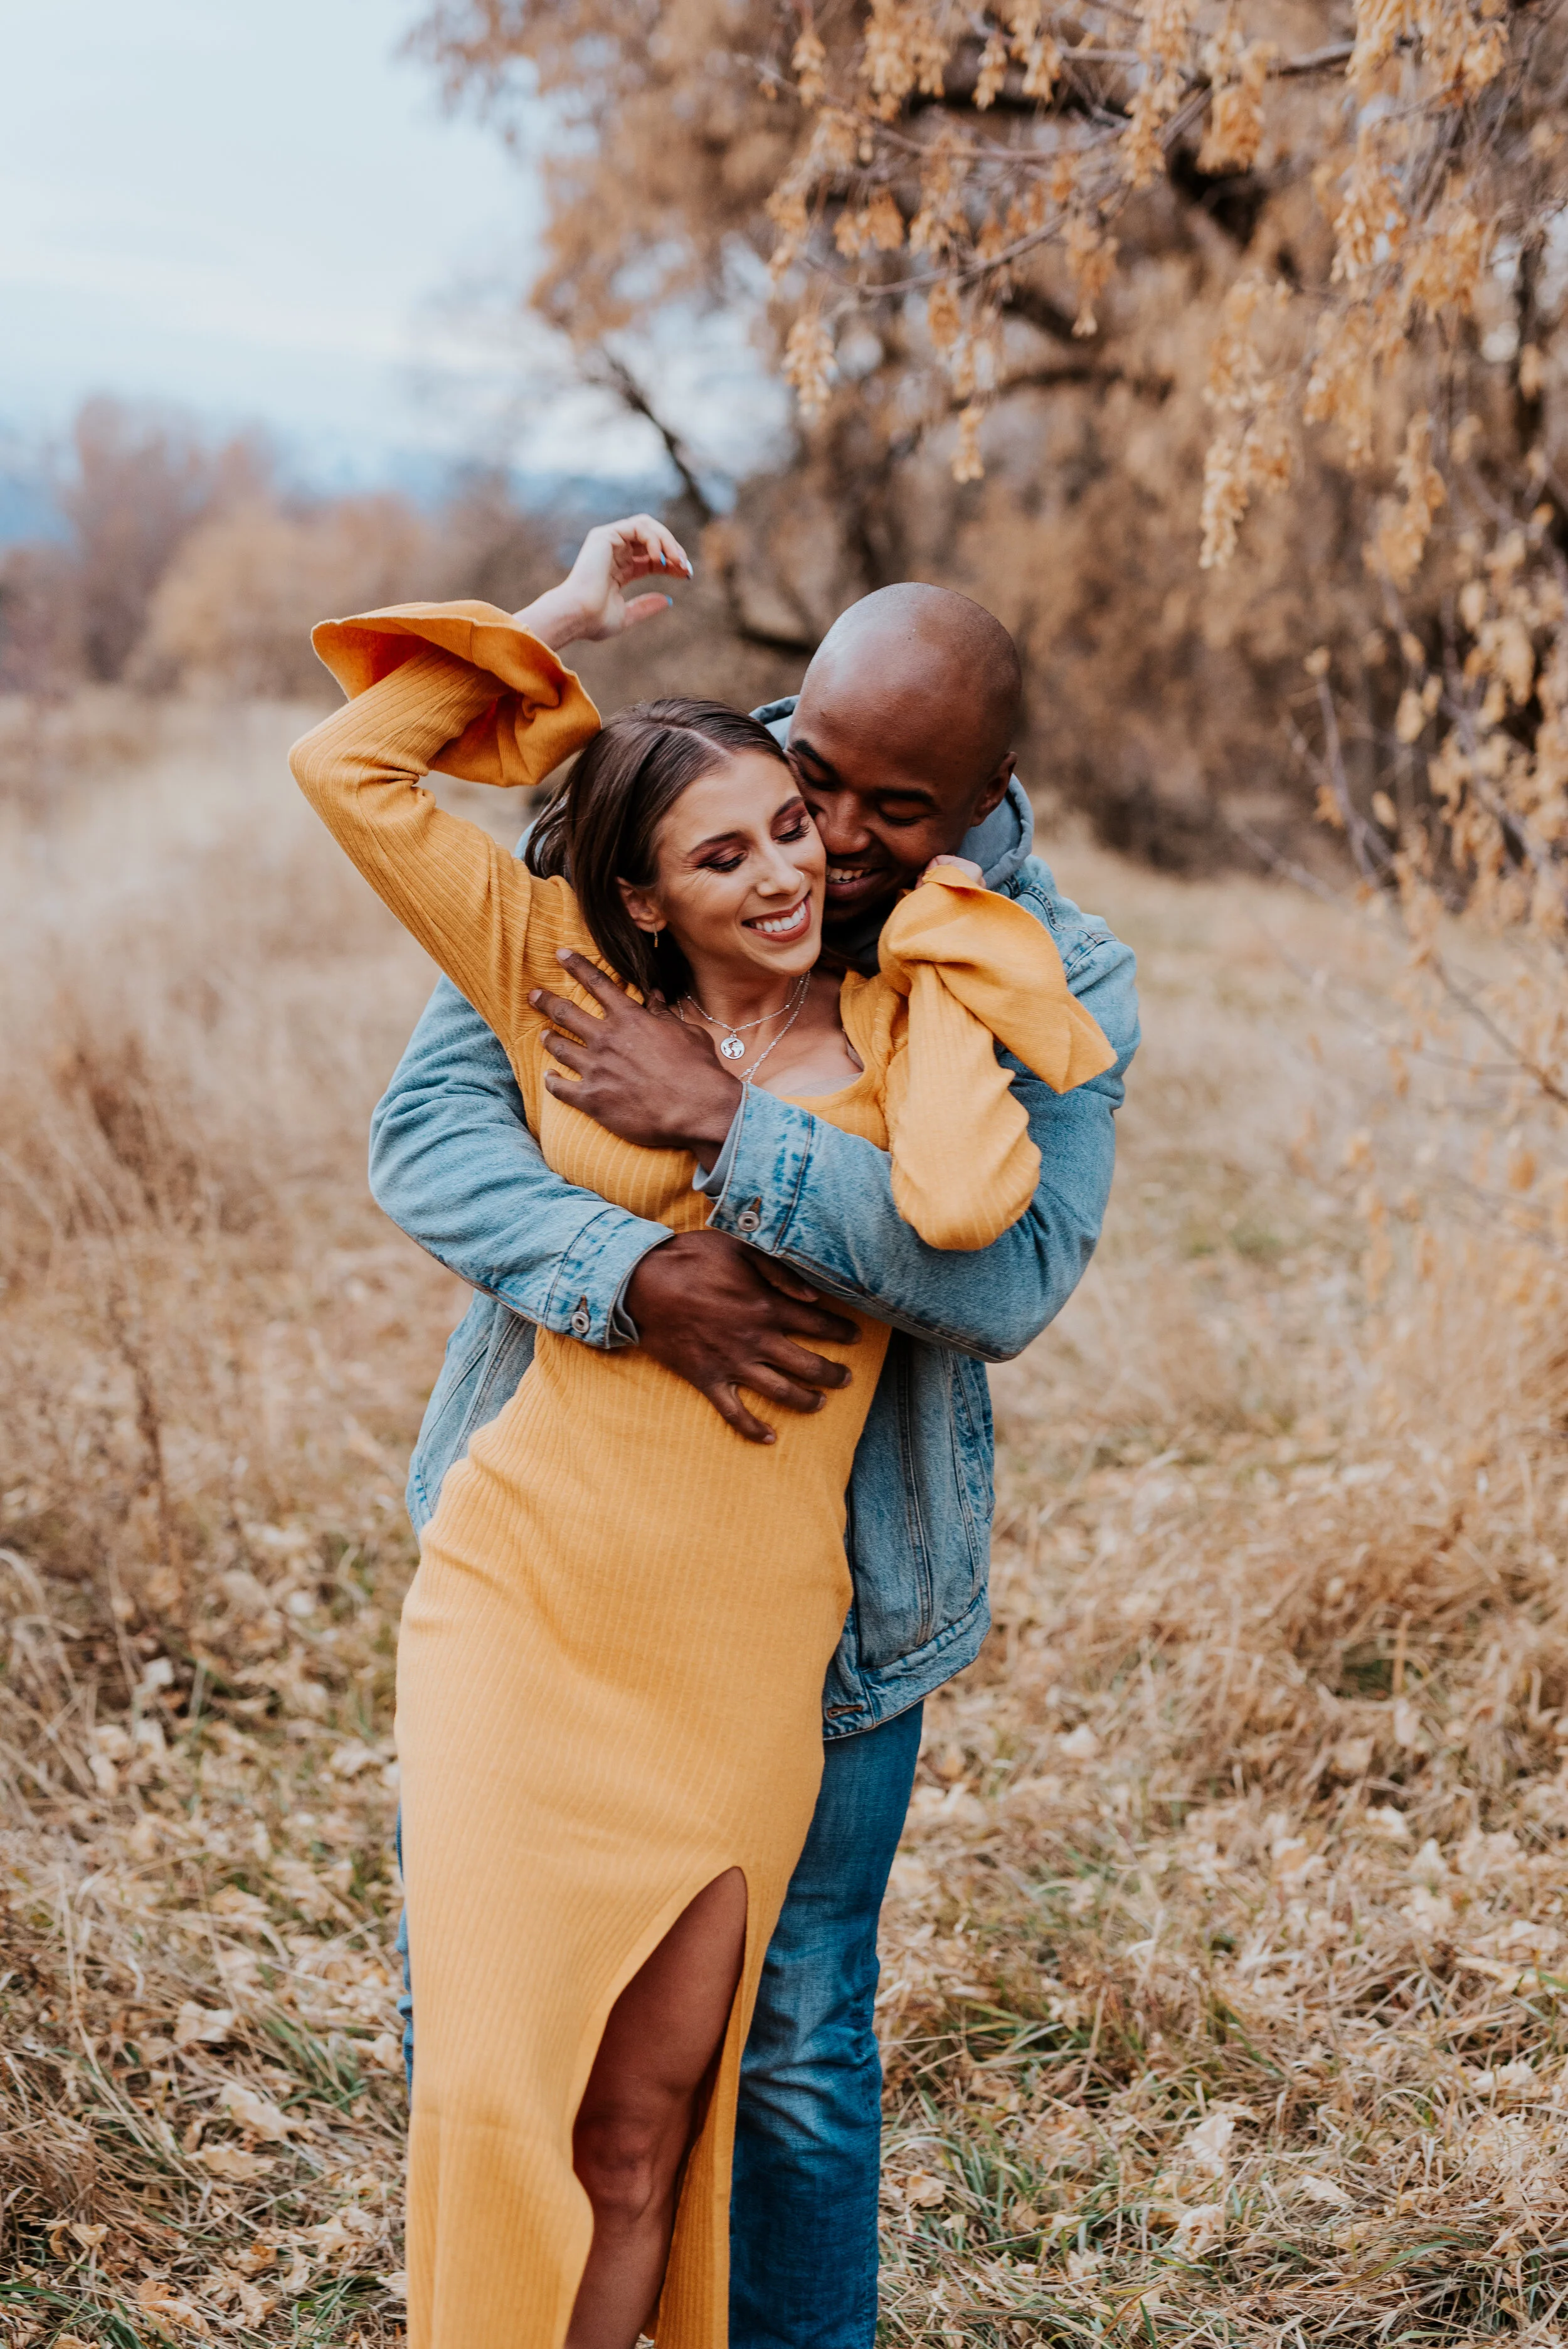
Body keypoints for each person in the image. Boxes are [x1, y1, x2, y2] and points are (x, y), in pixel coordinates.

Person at [287, 520, 1118, 2349]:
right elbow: (420, 1093)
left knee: (739, 2077)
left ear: (986, 798)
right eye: (796, 794)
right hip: (527, 1585)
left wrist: (736, 1132)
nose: (819, 847)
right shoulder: (600, 909)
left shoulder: (972, 981)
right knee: (488, 2068)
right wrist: (635, 1272)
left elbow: (994, 1267)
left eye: (878, 813)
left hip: (789, 1634)